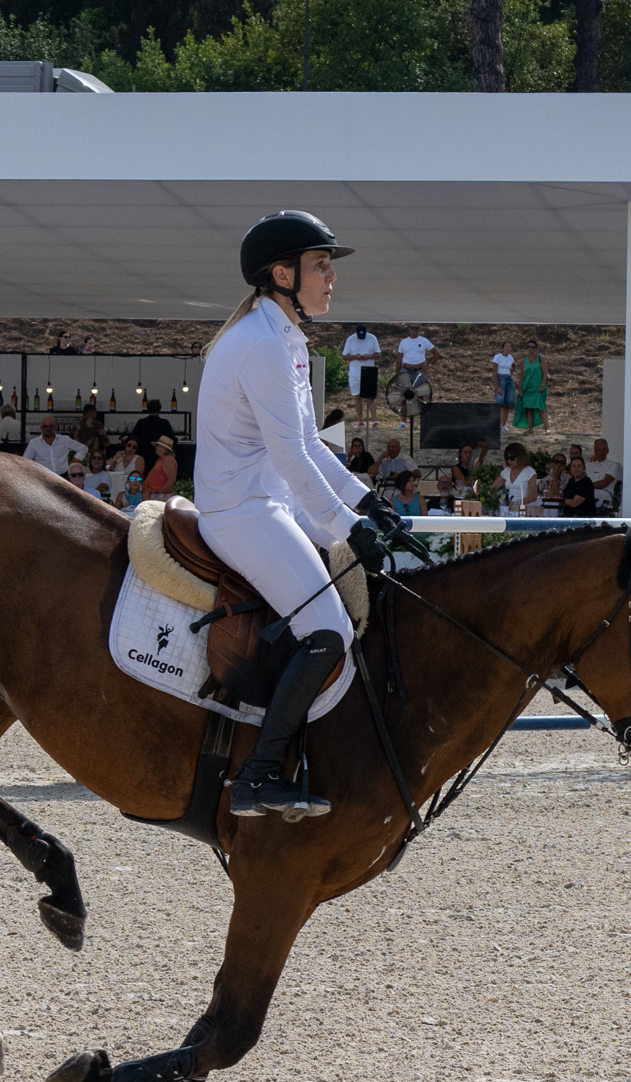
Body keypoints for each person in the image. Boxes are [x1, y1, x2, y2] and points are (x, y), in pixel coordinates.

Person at [195, 210, 398, 819]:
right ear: (282, 274)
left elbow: (310, 444)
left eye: (328, 265)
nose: (331, 276)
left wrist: (365, 502)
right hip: (242, 510)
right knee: (328, 629)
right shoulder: (259, 345)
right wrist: (346, 526)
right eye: (320, 265)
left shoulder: (282, 337)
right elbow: (290, 452)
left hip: (271, 500)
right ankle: (257, 775)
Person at [342, 324, 381, 426]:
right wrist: (355, 357)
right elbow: (345, 356)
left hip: (369, 370)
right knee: (357, 396)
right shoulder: (351, 339)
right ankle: (360, 421)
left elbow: (378, 354)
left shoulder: (372, 338)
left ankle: (374, 421)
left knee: (371, 396)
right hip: (355, 371)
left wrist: (369, 356)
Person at [513, 340, 547, 431]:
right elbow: (522, 375)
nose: (530, 349)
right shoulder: (525, 360)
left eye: (533, 347)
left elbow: (545, 372)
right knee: (528, 409)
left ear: (536, 348)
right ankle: (530, 429)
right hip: (527, 388)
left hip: (537, 387)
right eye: (529, 347)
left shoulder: (541, 358)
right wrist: (520, 388)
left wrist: (543, 385)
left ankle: (547, 428)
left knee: (540, 407)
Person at [496, 443, 537, 515]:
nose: (509, 461)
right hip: (508, 508)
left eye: (512, 458)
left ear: (520, 457)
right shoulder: (506, 471)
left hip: (524, 509)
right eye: (507, 458)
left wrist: (519, 502)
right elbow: (493, 487)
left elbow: (533, 496)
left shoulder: (529, 471)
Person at [396, 323, 435, 391]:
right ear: (409, 329)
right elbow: (399, 358)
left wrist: (428, 365)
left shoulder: (424, 341)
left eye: (416, 328)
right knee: (403, 395)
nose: (414, 330)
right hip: (405, 371)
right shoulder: (403, 342)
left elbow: (437, 354)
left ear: (419, 329)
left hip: (419, 372)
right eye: (412, 328)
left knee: (419, 394)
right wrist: (397, 373)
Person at [588, 437, 620, 512]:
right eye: (598, 450)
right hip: (588, 493)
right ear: (595, 451)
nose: (601, 453)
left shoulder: (613, 465)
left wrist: (587, 487)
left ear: (607, 451)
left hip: (605, 494)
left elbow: (604, 483)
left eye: (603, 450)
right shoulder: (588, 466)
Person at [490, 343, 515, 428]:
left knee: (508, 402)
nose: (508, 348)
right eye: (506, 346)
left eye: (509, 346)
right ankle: (495, 423)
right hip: (501, 379)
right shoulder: (497, 357)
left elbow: (514, 366)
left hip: (508, 379)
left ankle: (503, 424)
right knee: (499, 402)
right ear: (503, 348)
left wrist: (510, 373)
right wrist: (497, 386)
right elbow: (494, 371)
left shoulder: (511, 357)